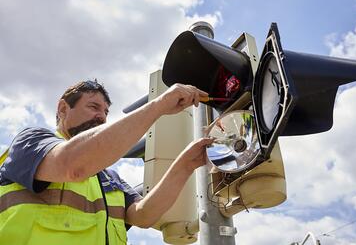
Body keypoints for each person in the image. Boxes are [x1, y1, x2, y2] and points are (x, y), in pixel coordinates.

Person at [0, 79, 213, 245]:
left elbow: (143, 215)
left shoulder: (109, 179)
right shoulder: (30, 142)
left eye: (105, 112)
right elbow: (72, 165)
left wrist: (185, 164)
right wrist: (159, 106)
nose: (102, 117)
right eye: (93, 107)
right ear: (63, 109)